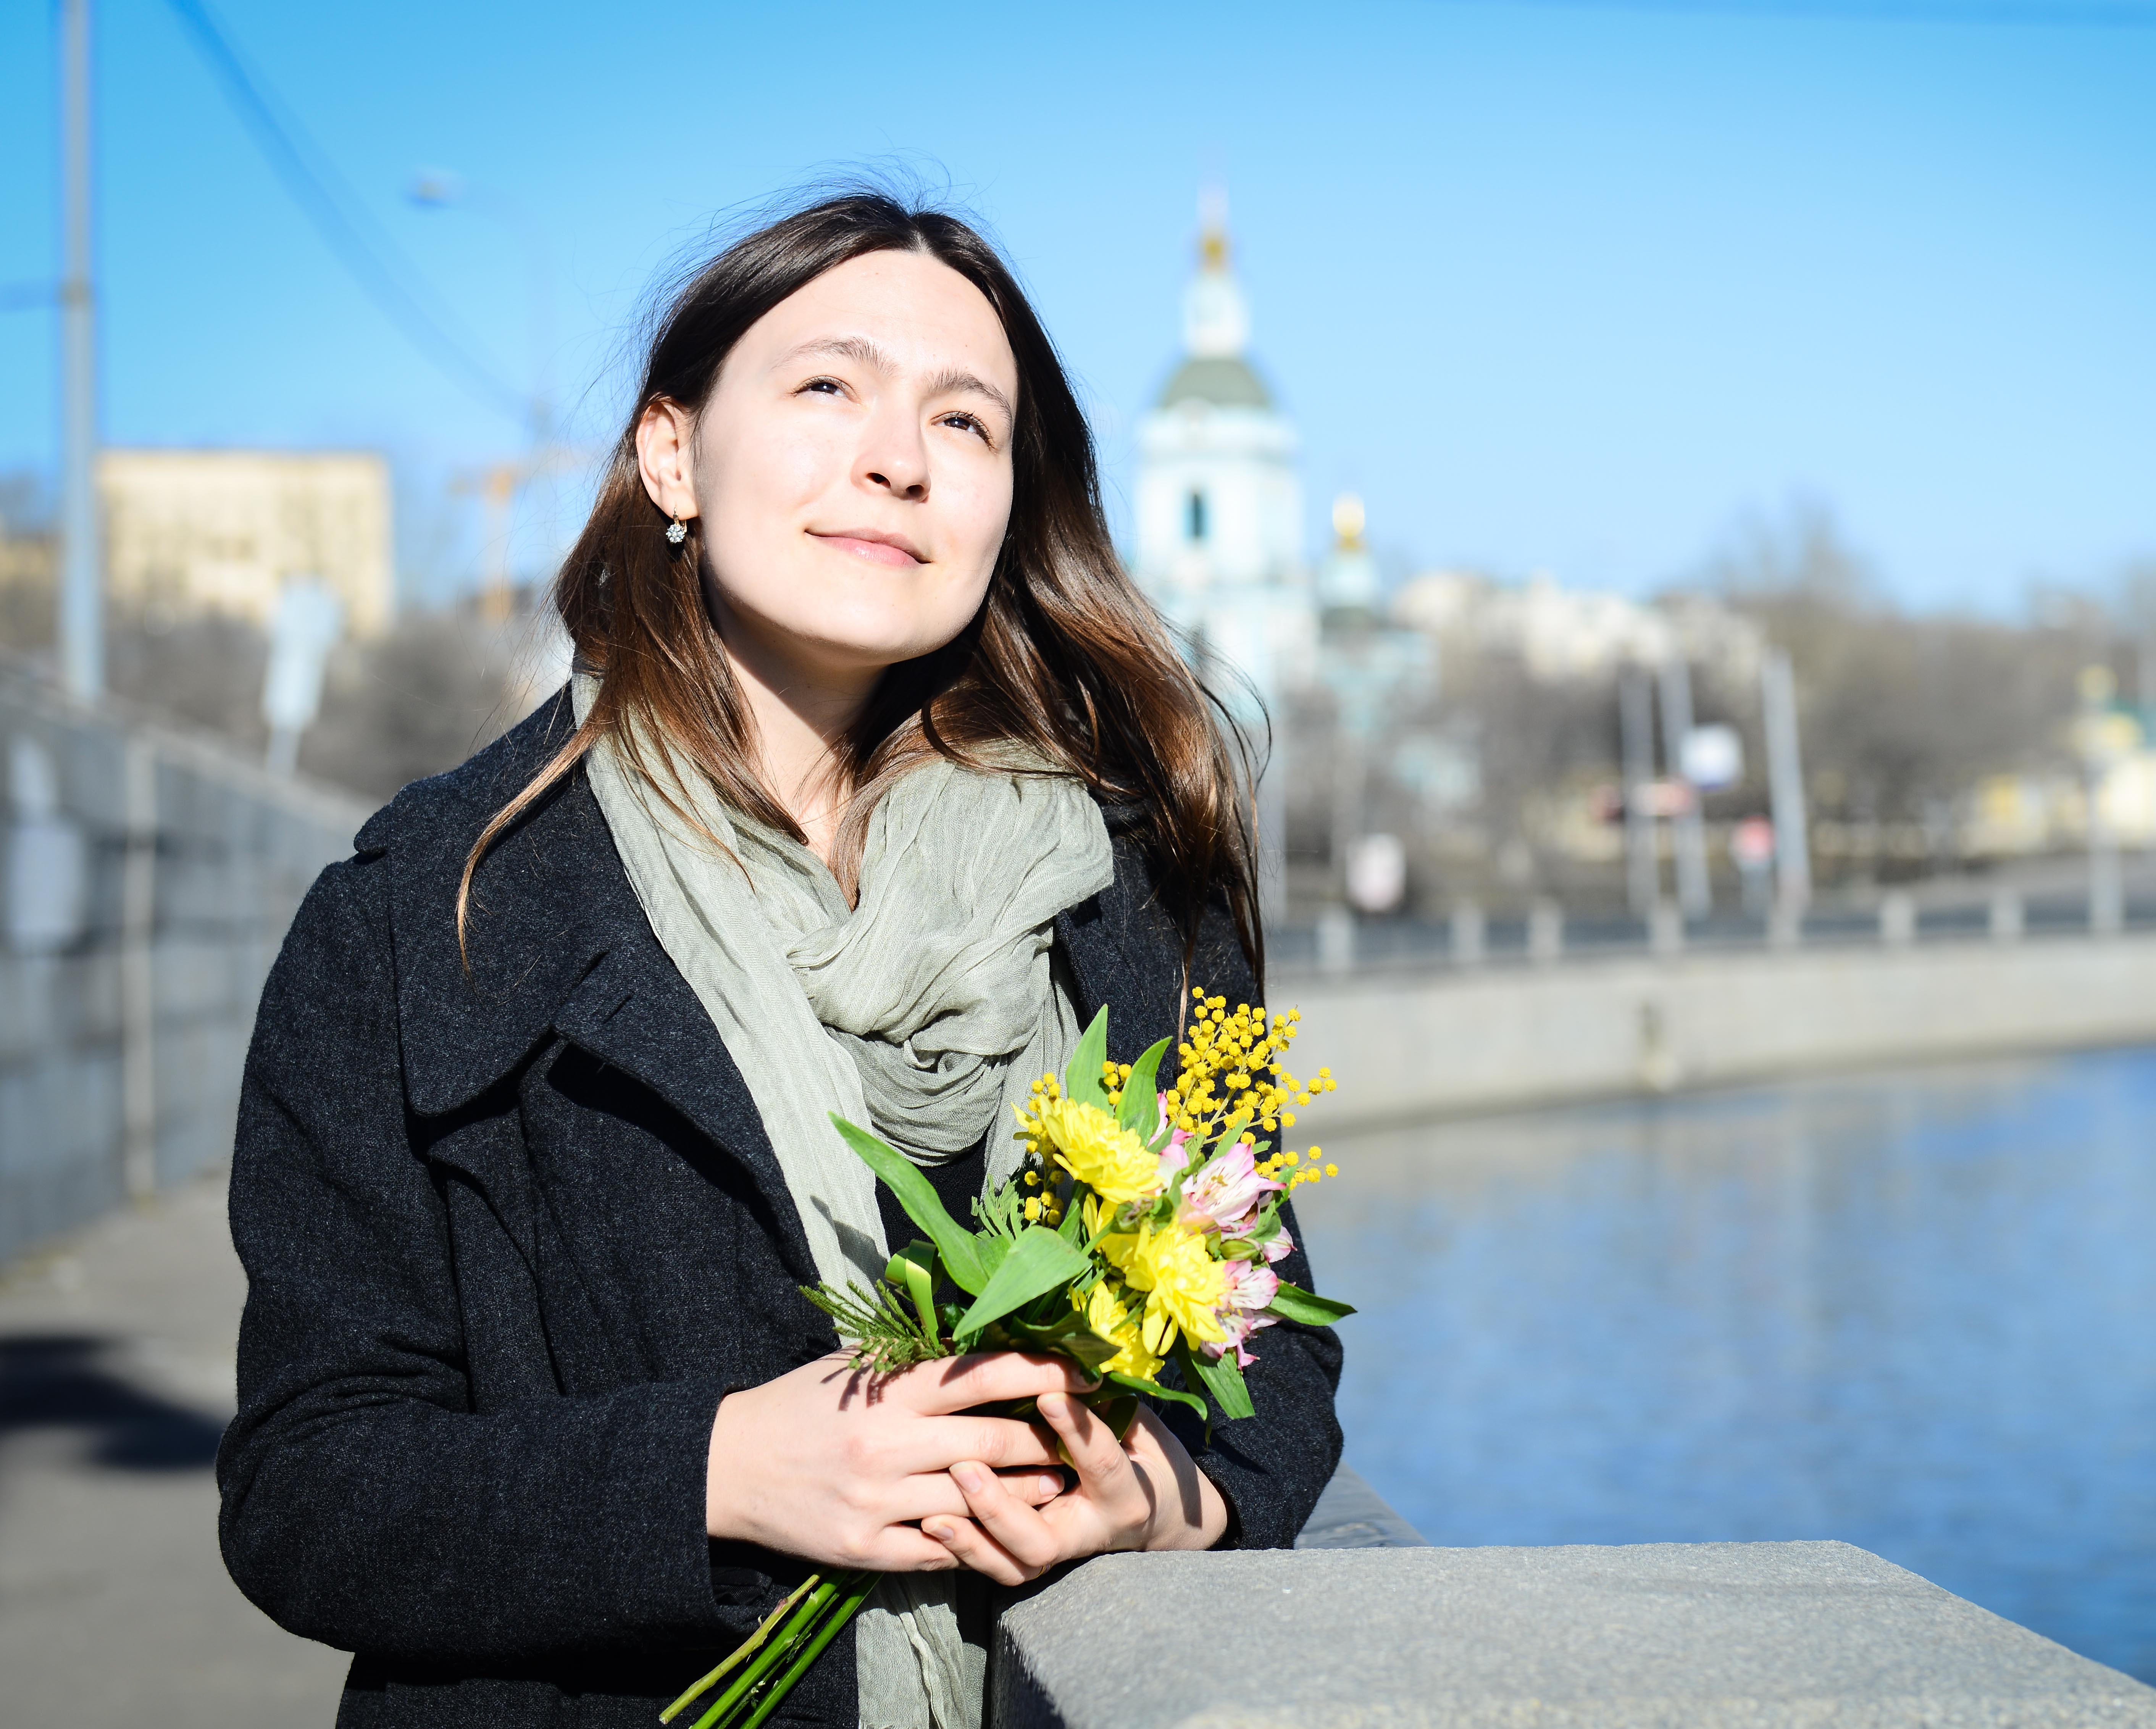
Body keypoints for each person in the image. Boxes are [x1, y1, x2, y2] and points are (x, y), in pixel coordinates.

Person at [216, 190, 1343, 1729]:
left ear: (1011, 500)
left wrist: (1155, 1496)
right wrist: (716, 1471)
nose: (900, 455)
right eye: (829, 386)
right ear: (671, 451)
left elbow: (1268, 1330)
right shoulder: (432, 902)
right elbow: (309, 1483)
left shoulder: (1140, 882)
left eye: (967, 420)